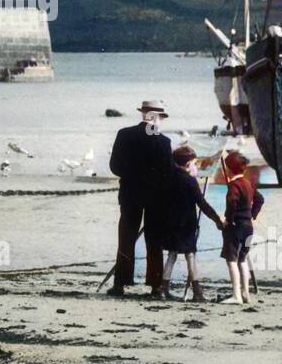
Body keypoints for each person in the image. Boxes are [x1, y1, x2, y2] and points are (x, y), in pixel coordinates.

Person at [107, 100, 172, 297]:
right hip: (156, 197)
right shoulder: (163, 141)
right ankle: (155, 286)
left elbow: (114, 167)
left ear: (143, 114)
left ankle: (120, 283)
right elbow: (168, 173)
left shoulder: (124, 134)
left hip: (129, 194)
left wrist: (132, 177)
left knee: (126, 239)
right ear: (157, 118)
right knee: (155, 241)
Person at [156, 145, 222, 302]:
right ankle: (197, 291)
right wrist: (217, 220)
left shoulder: (168, 177)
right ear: (187, 165)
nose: (194, 166)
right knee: (190, 256)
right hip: (186, 225)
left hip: (170, 223)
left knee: (171, 255)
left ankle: (163, 289)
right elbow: (202, 204)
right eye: (193, 163)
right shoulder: (190, 181)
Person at [218, 151, 263, 304]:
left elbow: (232, 202)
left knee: (232, 260)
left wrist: (228, 220)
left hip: (236, 226)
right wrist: (252, 215)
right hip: (248, 226)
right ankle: (246, 294)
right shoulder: (248, 183)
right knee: (242, 259)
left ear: (230, 170)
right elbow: (260, 199)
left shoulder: (234, 185)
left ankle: (236, 295)